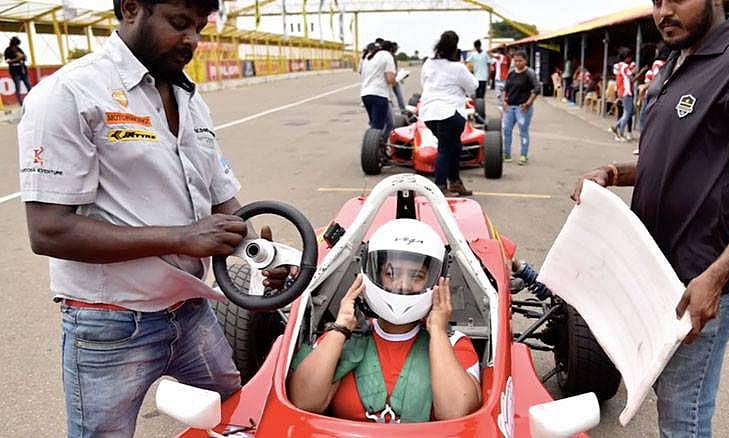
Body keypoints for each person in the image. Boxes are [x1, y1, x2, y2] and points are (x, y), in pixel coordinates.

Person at [17, 1, 292, 435]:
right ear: (131, 9)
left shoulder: (187, 96)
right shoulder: (70, 94)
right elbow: (49, 231)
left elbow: (221, 196)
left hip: (191, 311)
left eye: (200, 28)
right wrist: (182, 238)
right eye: (180, 24)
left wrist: (259, 255)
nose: (193, 41)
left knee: (233, 418)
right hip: (109, 324)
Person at [571, 2, 729, 437]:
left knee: (683, 419)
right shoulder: (674, 64)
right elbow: (668, 160)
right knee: (664, 400)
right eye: (656, 0)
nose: (663, 11)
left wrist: (716, 276)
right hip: (652, 276)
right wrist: (614, 173)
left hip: (698, 283)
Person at [288, 219, 482, 422]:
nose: (403, 284)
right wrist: (341, 328)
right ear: (374, 274)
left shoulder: (454, 343)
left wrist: (439, 332)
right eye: (391, 273)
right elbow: (303, 402)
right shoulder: (340, 338)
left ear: (435, 282)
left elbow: (456, 414)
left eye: (417, 276)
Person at [419, 30, 478, 197]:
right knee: (446, 149)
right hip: (450, 113)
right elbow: (473, 87)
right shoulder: (458, 67)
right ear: (455, 48)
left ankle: (455, 182)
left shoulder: (429, 64)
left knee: (454, 147)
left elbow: (424, 83)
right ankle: (440, 186)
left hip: (429, 113)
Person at [501, 50, 540, 165]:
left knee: (523, 131)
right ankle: (506, 154)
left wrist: (528, 103)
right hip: (510, 107)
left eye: (520, 60)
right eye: (516, 60)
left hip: (522, 108)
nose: (517, 63)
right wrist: (504, 101)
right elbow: (505, 89)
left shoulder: (530, 73)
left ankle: (523, 155)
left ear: (525, 61)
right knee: (506, 130)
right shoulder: (511, 73)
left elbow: (536, 90)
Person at [360, 38, 397, 140]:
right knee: (377, 127)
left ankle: (378, 146)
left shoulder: (369, 56)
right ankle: (375, 149)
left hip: (365, 94)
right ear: (390, 50)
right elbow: (390, 79)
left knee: (376, 124)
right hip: (379, 94)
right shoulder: (387, 56)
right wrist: (395, 80)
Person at [611, 47, 637, 142]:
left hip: (621, 91)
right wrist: (641, 71)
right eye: (629, 57)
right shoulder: (625, 66)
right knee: (627, 113)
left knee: (631, 111)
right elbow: (632, 79)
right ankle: (619, 132)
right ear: (626, 57)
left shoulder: (617, 66)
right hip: (627, 92)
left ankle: (616, 126)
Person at [4, 36, 32, 105]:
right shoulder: (7, 50)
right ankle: (21, 102)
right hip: (15, 72)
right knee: (18, 87)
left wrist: (23, 57)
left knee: (29, 85)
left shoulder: (19, 49)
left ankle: (32, 100)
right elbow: (7, 61)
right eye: (15, 45)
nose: (16, 47)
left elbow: (24, 58)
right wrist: (18, 59)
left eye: (17, 45)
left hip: (23, 70)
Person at [492, 45, 510, 110]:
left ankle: (503, 115)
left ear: (499, 51)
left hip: (499, 79)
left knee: (499, 98)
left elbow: (489, 54)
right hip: (506, 79)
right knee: (505, 97)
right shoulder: (507, 58)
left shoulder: (499, 57)